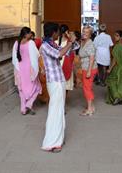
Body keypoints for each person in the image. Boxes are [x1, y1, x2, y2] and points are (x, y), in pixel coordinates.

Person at [40, 22, 76, 153]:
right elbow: (59, 55)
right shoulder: (45, 46)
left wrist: (71, 40)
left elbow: (67, 51)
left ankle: (58, 138)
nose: (58, 34)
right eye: (58, 32)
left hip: (58, 80)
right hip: (54, 81)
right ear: (53, 32)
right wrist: (69, 43)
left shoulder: (51, 43)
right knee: (55, 110)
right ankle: (51, 142)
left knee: (59, 110)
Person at [12, 27, 42, 115]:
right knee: (37, 87)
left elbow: (14, 58)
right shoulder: (31, 43)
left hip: (20, 69)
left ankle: (23, 109)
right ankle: (29, 104)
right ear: (26, 34)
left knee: (21, 89)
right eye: (29, 33)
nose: (31, 35)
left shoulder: (16, 43)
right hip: (29, 69)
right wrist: (40, 68)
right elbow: (37, 55)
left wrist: (17, 69)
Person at [106, 30, 122, 105]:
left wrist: (110, 69)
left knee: (111, 81)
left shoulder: (118, 46)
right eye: (114, 35)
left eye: (117, 35)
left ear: (121, 37)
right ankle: (121, 97)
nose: (115, 37)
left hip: (118, 67)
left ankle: (116, 96)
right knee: (121, 83)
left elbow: (115, 59)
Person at [78, 26, 98, 116]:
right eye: (83, 31)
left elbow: (92, 58)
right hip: (85, 68)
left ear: (90, 34)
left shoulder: (90, 44)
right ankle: (91, 107)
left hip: (89, 69)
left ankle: (90, 109)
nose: (84, 33)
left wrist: (89, 71)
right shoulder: (83, 42)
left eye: (87, 32)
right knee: (87, 87)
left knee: (87, 88)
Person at [55, 25, 79, 95]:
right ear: (67, 32)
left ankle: (60, 98)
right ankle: (63, 98)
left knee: (59, 83)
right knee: (66, 84)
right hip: (66, 63)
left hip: (58, 63)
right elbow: (77, 46)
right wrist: (69, 36)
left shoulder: (55, 40)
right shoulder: (69, 41)